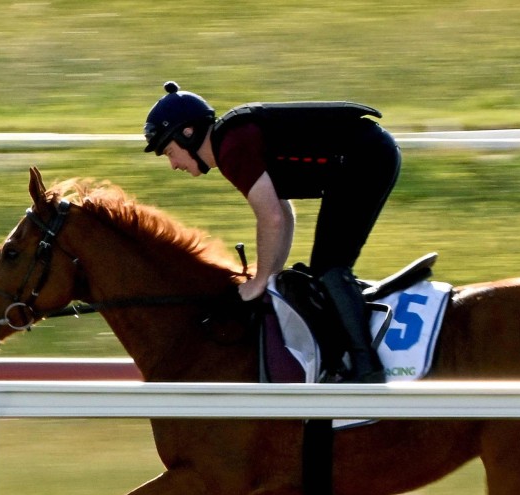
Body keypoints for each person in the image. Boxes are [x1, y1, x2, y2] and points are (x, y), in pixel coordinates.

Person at [143, 81, 402, 383]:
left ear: (188, 134)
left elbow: (272, 220)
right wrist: (273, 277)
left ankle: (366, 368)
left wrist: (260, 280)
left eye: (170, 152)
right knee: (325, 267)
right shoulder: (232, 142)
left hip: (365, 159)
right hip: (367, 154)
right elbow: (283, 215)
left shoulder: (232, 148)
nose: (173, 165)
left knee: (330, 267)